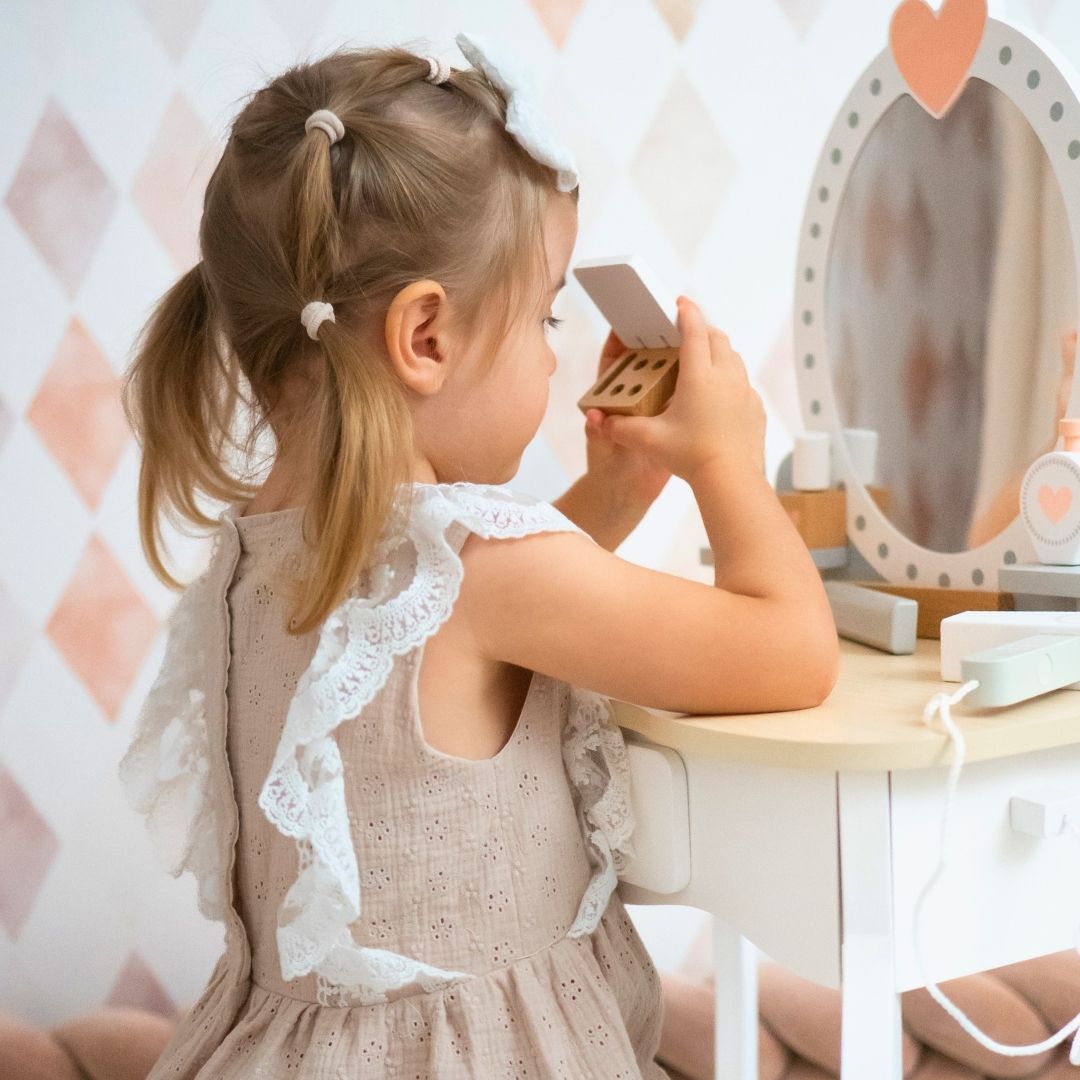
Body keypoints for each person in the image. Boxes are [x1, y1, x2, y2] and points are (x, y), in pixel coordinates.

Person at [116, 31, 838, 1079]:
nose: (554, 351)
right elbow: (790, 651)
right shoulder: (491, 572)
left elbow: (454, 636)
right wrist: (730, 460)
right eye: (544, 314)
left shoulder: (255, 551)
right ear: (426, 338)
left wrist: (616, 490)